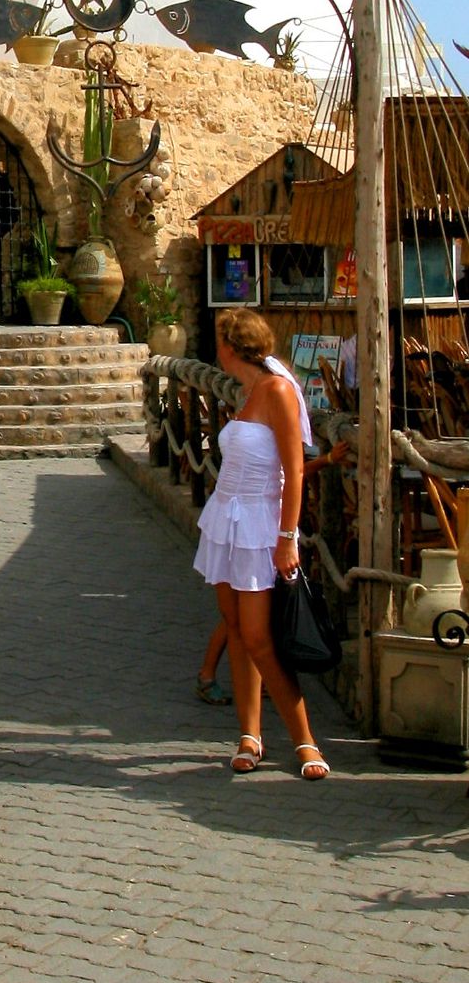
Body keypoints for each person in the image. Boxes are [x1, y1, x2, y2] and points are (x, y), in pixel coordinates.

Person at [193, 308, 330, 780]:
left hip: (258, 524)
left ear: (230, 347)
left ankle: (305, 741)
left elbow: (294, 470)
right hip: (227, 521)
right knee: (235, 627)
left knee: (258, 637)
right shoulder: (250, 391)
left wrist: (287, 538)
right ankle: (249, 735)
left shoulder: (277, 391)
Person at [194, 437, 350, 707]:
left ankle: (241, 681)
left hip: (265, 528)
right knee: (239, 617)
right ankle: (210, 675)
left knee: (247, 616)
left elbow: (291, 472)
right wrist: (327, 460)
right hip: (256, 531)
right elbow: (293, 473)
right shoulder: (264, 434)